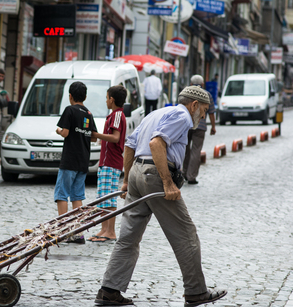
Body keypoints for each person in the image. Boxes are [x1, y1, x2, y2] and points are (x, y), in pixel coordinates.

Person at [94, 86, 227, 306]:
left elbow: (129, 145)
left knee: (128, 237)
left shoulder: (155, 114)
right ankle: (196, 292)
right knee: (186, 234)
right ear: (194, 105)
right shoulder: (183, 116)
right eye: (203, 111)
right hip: (155, 175)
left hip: (138, 171)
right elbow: (157, 143)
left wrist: (127, 180)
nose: (202, 116)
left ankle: (109, 291)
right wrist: (167, 183)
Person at [54, 81, 97, 244]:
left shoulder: (69, 110)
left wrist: (58, 130)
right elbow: (93, 136)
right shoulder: (88, 113)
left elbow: (65, 132)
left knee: (62, 194)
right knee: (77, 196)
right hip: (83, 160)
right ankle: (77, 232)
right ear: (85, 97)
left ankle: (63, 230)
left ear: (70, 96)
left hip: (69, 159)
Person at [88, 85, 127, 243]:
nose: (105, 101)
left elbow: (116, 137)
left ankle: (110, 231)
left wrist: (97, 135)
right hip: (107, 162)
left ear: (112, 99)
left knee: (109, 199)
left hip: (112, 162)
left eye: (106, 98)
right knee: (103, 198)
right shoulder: (113, 115)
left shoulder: (117, 115)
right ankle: (104, 229)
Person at [183, 75, 216, 185]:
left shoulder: (186, 93)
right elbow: (211, 112)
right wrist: (213, 127)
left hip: (186, 125)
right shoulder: (207, 95)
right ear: (202, 84)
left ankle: (183, 173)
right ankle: (191, 176)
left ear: (191, 84)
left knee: (184, 149)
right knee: (196, 151)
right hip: (200, 126)